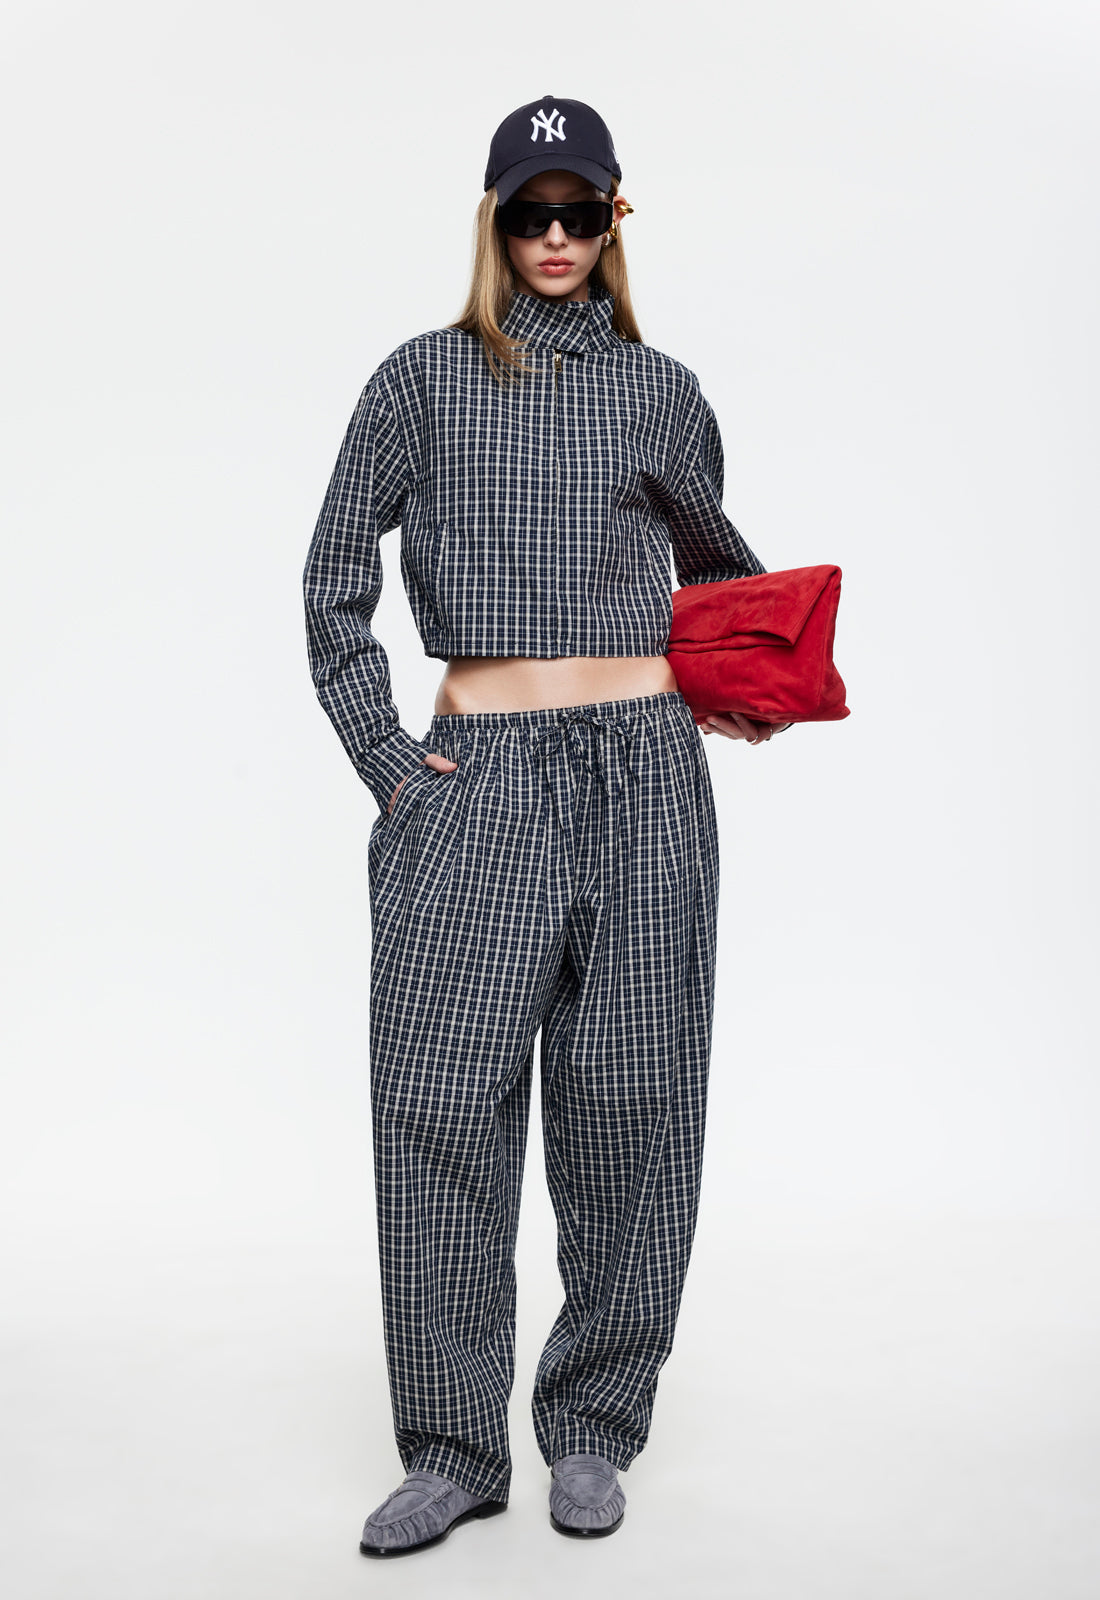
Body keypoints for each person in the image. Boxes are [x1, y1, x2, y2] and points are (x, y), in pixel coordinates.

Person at [302, 94, 790, 1559]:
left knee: (635, 1105)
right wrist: (395, 768)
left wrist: (749, 682)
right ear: (496, 221)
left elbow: (716, 575)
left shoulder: (664, 393)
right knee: (440, 1107)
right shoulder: (419, 381)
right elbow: (330, 583)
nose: (558, 237)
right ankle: (454, 1450)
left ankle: (591, 1428)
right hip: (478, 780)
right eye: (533, 213)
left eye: (582, 213)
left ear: (613, 223)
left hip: (645, 780)